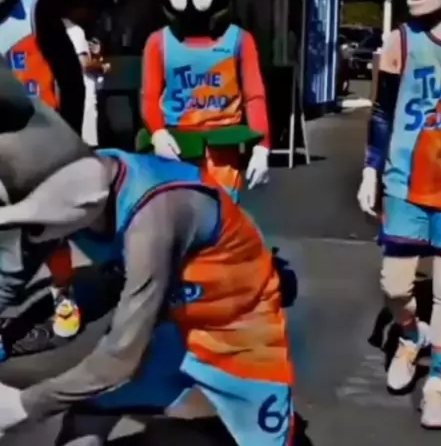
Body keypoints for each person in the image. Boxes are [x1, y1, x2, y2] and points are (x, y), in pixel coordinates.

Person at [0, 56, 294, 446]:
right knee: (86, 414)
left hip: (235, 326)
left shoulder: (157, 213)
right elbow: (11, 275)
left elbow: (121, 357)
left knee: (271, 442)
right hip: (166, 322)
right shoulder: (76, 178)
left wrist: (25, 405)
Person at [357, 0, 441, 429]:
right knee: (394, 285)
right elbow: (382, 112)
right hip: (404, 182)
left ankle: (436, 384)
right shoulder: (401, 42)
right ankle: (410, 335)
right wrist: (370, 168)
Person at [0, 0, 86, 344]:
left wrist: (69, 138)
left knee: (49, 228)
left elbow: (71, 80)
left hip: (39, 144)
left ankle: (63, 293)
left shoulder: (36, 12)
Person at [137, 0, 270, 202]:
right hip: (176, 147)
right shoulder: (158, 42)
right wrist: (157, 133)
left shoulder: (239, 40)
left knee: (222, 216)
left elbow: (254, 96)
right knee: (177, 217)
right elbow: (149, 96)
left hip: (222, 152)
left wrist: (262, 146)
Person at [63, 13, 110, 147]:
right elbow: (84, 63)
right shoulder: (76, 31)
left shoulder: (57, 28)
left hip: (69, 89)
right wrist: (102, 67)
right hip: (85, 90)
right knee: (88, 141)